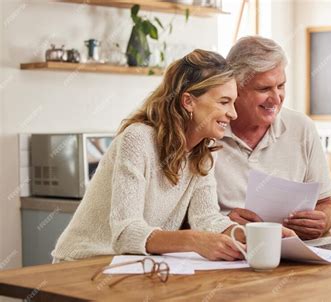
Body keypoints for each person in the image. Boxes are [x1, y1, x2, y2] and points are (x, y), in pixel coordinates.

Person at [52, 49, 246, 262]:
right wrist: (192, 241)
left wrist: (256, 236)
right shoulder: (138, 139)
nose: (233, 114)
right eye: (224, 102)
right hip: (83, 262)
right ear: (188, 101)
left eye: (233, 103)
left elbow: (206, 218)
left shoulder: (203, 152)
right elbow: (125, 233)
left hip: (132, 265)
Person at [215, 36, 331, 240]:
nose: (276, 98)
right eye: (264, 89)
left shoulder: (301, 127)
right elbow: (180, 219)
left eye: (280, 86)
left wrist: (323, 221)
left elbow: (327, 204)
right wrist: (221, 223)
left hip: (292, 256)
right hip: (229, 255)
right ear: (235, 87)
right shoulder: (209, 131)